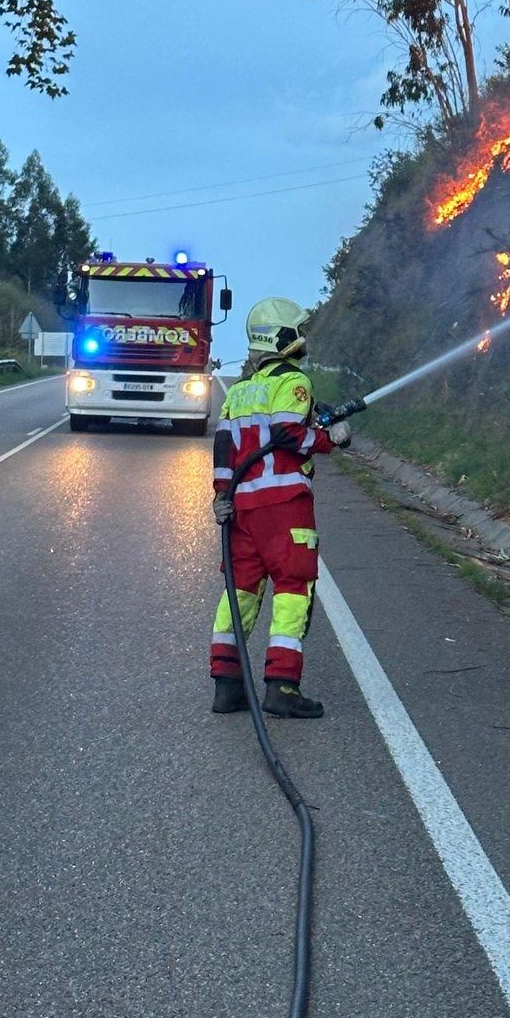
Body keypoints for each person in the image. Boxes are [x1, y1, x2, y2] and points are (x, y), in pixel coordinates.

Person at [209, 297, 351, 718]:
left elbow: (223, 449)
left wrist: (221, 495)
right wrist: (330, 439)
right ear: (282, 337)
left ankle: (227, 685)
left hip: (242, 510)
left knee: (240, 591)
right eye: (298, 331)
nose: (303, 338)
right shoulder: (293, 381)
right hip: (285, 506)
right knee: (293, 587)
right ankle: (282, 686)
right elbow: (288, 432)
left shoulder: (239, 391)